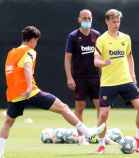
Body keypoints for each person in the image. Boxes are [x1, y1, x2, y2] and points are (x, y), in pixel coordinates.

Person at [0, 26, 105, 158]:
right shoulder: (30, 51)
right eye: (36, 41)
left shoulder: (11, 52)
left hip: (14, 95)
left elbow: (9, 73)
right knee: (63, 108)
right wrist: (29, 87)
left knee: (8, 122)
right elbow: (27, 67)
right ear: (33, 40)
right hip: (30, 92)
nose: (36, 44)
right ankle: (87, 132)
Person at [94, 9, 139, 154]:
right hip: (108, 83)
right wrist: (104, 62)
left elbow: (129, 57)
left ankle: (138, 141)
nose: (116, 24)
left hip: (126, 81)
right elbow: (96, 61)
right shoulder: (101, 39)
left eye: (118, 21)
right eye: (113, 21)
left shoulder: (126, 38)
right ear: (107, 22)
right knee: (103, 114)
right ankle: (101, 144)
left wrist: (133, 75)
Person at [64, 9, 101, 145]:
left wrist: (104, 76)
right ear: (79, 19)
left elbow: (101, 57)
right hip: (79, 77)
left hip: (95, 77)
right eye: (84, 18)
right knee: (79, 107)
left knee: (101, 108)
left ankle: (99, 137)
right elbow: (67, 58)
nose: (87, 20)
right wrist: (69, 77)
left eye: (89, 18)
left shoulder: (97, 35)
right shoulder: (73, 36)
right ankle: (81, 137)